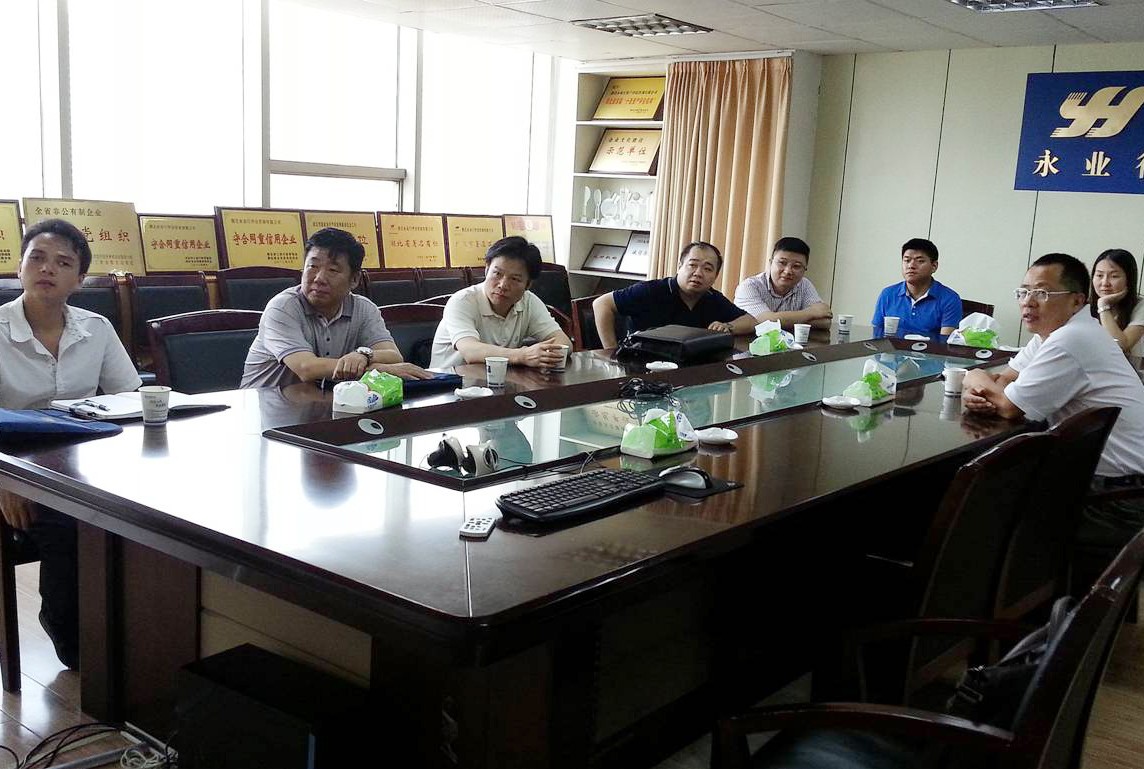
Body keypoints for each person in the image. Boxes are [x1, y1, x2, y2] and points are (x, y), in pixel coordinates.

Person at [0, 219, 143, 669]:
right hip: (14, 467)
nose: (48, 269)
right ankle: (73, 638)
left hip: (79, 463)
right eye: (37, 258)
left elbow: (129, 399)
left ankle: (138, 628)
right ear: (19, 268)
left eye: (63, 263)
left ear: (79, 279)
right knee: (68, 522)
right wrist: (6, 480)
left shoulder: (96, 328)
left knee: (144, 517)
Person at [963, 253, 1144, 583]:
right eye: (1023, 292)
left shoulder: (1071, 339)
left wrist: (972, 376)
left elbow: (1008, 405)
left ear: (1077, 300)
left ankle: (1011, 604)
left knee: (985, 510)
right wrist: (985, 387)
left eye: (1042, 293)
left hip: (1120, 501)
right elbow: (1005, 379)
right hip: (1109, 484)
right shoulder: (1055, 334)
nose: (1028, 301)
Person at [241, 227, 432, 388]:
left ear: (354, 279)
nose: (319, 278)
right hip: (264, 407)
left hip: (321, 402)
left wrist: (363, 355)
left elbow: (394, 356)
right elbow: (306, 368)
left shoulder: (363, 308)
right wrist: (379, 368)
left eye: (332, 270)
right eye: (312, 267)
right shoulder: (282, 308)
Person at [429, 236, 572, 369]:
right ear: (487, 269)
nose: (503, 285)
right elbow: (470, 351)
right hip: (448, 383)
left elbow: (564, 343)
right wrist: (522, 355)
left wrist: (543, 354)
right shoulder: (462, 301)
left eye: (514, 279)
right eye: (497, 274)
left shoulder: (529, 301)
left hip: (498, 382)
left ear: (528, 284)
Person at [592, 241, 756, 349]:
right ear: (679, 266)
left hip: (686, 369)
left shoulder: (712, 297)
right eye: (692, 265)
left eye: (707, 269)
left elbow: (751, 321)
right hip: (641, 365)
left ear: (715, 276)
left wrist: (728, 326)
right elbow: (601, 304)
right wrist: (611, 351)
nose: (698, 273)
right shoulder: (651, 291)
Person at [733, 236, 832, 329]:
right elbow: (767, 322)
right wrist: (811, 313)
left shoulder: (804, 285)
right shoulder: (749, 287)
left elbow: (825, 322)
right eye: (782, 263)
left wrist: (781, 320)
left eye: (796, 266)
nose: (788, 271)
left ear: (805, 269)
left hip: (791, 342)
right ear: (770, 262)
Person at [871, 238, 961, 338]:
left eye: (920, 261)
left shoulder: (949, 299)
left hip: (929, 348)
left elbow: (945, 343)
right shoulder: (888, 294)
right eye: (907, 260)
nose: (911, 266)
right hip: (891, 348)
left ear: (934, 266)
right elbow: (877, 336)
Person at [1089, 248, 1144, 356]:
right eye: (1099, 275)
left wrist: (1103, 306)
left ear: (1129, 279)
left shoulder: (1140, 306)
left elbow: (1120, 346)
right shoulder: (1082, 306)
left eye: (1114, 276)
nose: (1105, 283)